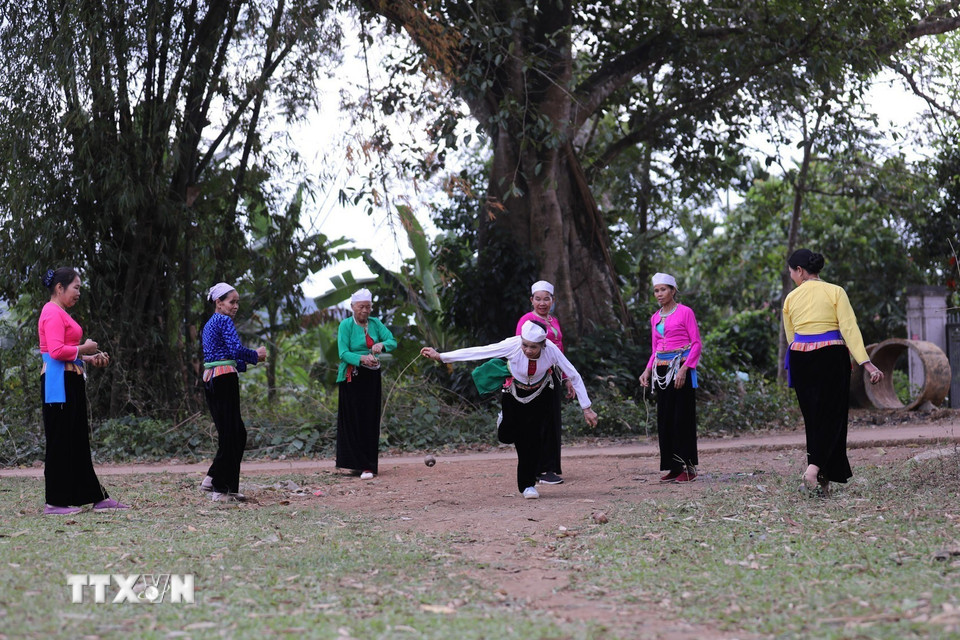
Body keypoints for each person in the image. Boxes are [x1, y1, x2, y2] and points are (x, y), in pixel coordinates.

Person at [421, 321, 598, 499]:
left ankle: (527, 485)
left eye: (533, 347)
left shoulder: (551, 350)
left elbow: (573, 374)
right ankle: (503, 420)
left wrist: (587, 408)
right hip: (514, 392)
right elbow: (480, 351)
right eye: (525, 345)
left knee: (531, 440)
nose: (528, 350)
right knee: (505, 436)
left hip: (541, 393)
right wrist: (441, 356)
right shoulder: (512, 345)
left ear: (543, 345)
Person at [782, 249, 883, 496]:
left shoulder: (790, 299)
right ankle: (814, 469)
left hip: (800, 356)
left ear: (800, 271)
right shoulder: (835, 291)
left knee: (814, 419)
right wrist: (865, 362)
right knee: (833, 416)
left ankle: (822, 481)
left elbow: (791, 337)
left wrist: (800, 357)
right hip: (830, 355)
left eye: (791, 271)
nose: (792, 275)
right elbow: (849, 328)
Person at [38, 267, 129, 515]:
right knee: (60, 441)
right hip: (59, 383)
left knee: (77, 441)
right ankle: (54, 502)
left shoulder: (60, 312)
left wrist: (88, 358)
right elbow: (56, 352)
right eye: (76, 287)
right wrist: (85, 348)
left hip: (71, 378)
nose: (79, 292)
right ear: (60, 288)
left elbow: (64, 351)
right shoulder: (52, 312)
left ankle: (94, 496)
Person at [200, 282, 266, 502]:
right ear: (219, 303)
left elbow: (225, 355)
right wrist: (256, 355)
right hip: (224, 379)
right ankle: (221, 488)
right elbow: (237, 350)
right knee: (233, 434)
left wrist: (249, 361)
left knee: (232, 433)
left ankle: (214, 479)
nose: (235, 306)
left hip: (212, 378)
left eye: (237, 302)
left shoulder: (210, 323)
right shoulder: (224, 320)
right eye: (232, 302)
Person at [638, 273, 702, 483]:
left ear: (673, 290)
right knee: (665, 419)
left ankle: (689, 468)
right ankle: (674, 467)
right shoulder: (655, 317)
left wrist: (684, 369)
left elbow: (696, 344)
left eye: (663, 289)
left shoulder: (685, 312)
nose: (659, 294)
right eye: (656, 290)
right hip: (662, 371)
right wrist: (647, 370)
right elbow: (655, 348)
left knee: (682, 418)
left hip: (680, 368)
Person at [515, 280, 572, 485]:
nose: (542, 303)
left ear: (552, 300)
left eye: (546, 298)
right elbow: (520, 349)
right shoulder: (527, 320)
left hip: (554, 375)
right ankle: (539, 469)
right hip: (536, 376)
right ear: (531, 300)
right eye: (538, 299)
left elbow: (560, 350)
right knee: (538, 421)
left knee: (552, 420)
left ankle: (549, 466)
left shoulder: (553, 321)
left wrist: (566, 378)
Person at [335, 288, 397, 479]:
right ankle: (355, 463)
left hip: (371, 378)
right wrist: (362, 358)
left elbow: (392, 340)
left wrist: (382, 345)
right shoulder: (345, 326)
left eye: (368, 307)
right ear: (352, 307)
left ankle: (368, 466)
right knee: (353, 420)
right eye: (361, 307)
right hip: (351, 377)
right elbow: (343, 353)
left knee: (369, 419)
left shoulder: (375, 323)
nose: (365, 311)